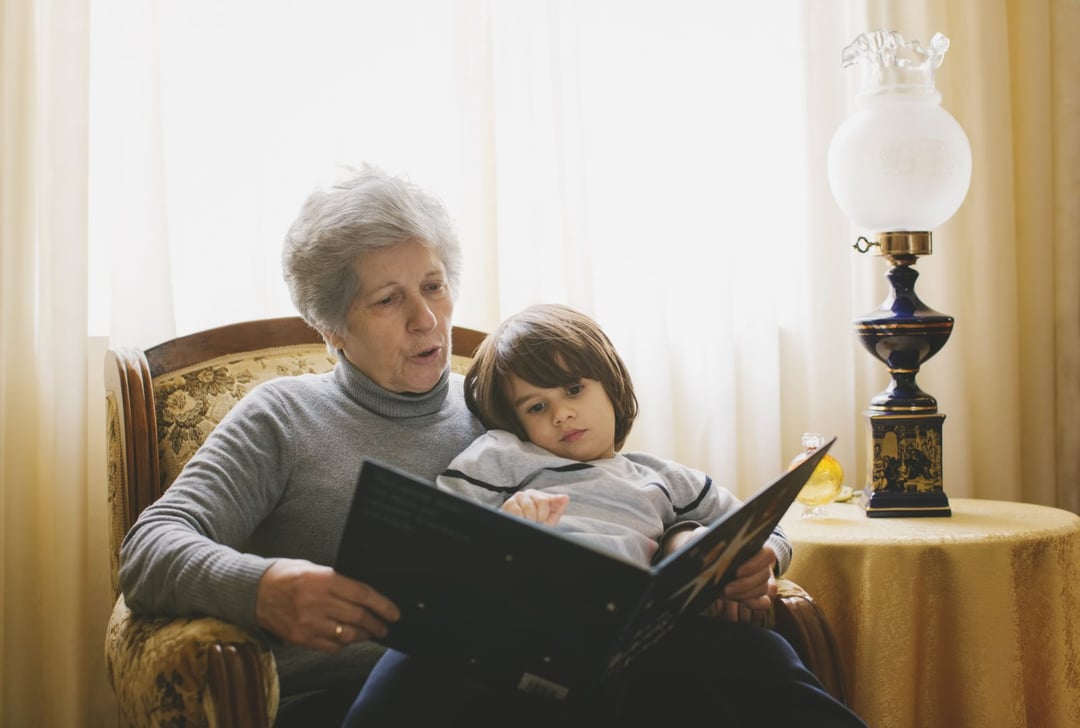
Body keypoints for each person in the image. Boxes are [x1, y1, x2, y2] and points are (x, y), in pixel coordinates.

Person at [344, 303, 867, 727]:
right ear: (515, 422)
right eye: (536, 407)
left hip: (637, 639)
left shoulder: (661, 477)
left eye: (574, 390)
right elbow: (439, 537)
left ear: (610, 386)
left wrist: (765, 558)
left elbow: (763, 522)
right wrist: (507, 524)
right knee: (426, 671)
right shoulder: (500, 458)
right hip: (518, 633)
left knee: (761, 654)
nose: (562, 413)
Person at [118, 165, 487, 725]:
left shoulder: (499, 407)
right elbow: (148, 549)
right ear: (332, 328)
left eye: (434, 286)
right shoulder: (283, 417)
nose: (427, 318)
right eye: (389, 300)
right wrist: (262, 590)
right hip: (338, 705)